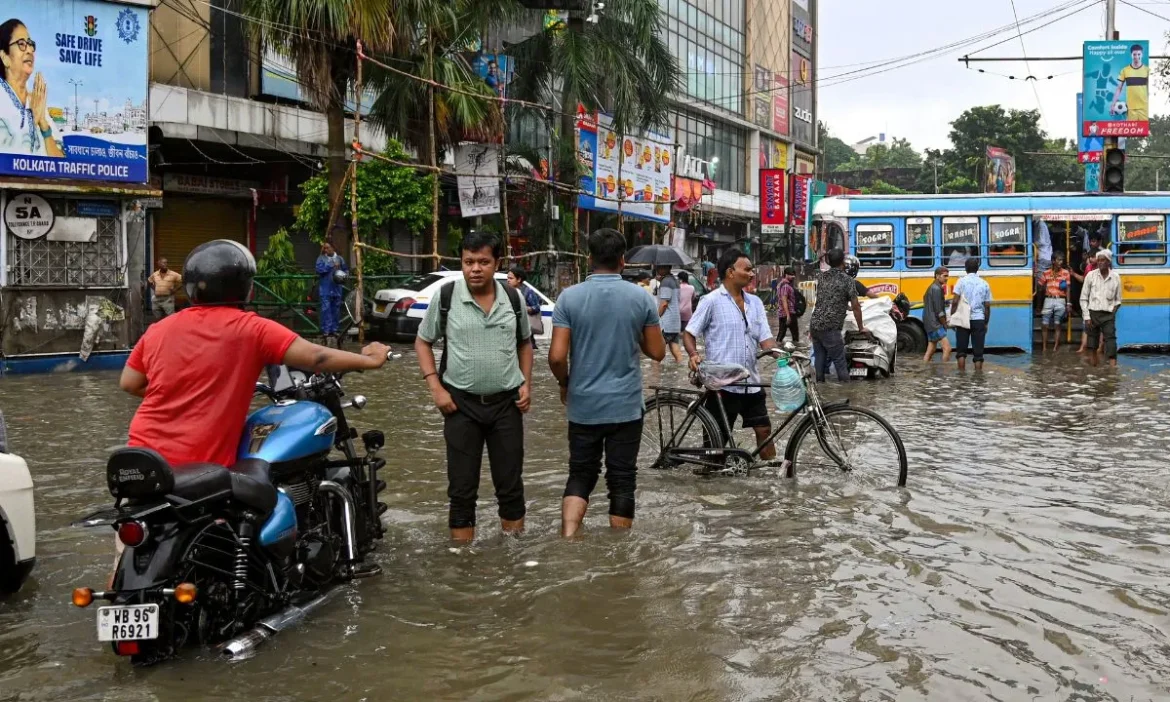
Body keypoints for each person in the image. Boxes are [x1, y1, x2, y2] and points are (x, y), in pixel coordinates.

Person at [120, 240, 391, 471]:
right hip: (199, 463)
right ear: (245, 286)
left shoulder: (158, 329)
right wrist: (371, 359)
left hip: (142, 460)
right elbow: (317, 357)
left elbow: (129, 383)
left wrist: (184, 395)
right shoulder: (251, 328)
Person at [415, 231, 533, 543]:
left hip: (507, 405)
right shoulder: (446, 296)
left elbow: (525, 342)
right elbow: (423, 341)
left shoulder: (512, 297)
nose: (475, 269)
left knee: (510, 485)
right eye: (469, 262)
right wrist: (436, 389)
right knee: (462, 489)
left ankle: (514, 558)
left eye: (483, 262)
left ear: (497, 264)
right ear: (462, 263)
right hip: (460, 406)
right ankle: (462, 565)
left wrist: (526, 384)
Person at [548, 228, 665, 537]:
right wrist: (637, 328)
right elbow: (657, 351)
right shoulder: (641, 298)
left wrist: (565, 383)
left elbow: (557, 357)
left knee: (581, 473)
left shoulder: (568, 298)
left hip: (583, 403)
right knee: (622, 477)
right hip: (625, 406)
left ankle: (569, 536)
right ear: (622, 260)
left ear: (590, 259)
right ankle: (619, 550)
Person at [684, 249, 780, 462]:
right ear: (730, 272)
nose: (752, 273)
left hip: (751, 383)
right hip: (722, 385)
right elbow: (689, 333)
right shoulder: (711, 301)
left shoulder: (755, 303)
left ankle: (773, 480)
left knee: (764, 431)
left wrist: (783, 357)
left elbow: (766, 340)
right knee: (715, 447)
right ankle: (708, 484)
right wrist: (693, 354)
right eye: (747, 269)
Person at [0, 19, 64, 158]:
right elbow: (9, 161)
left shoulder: (36, 101)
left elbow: (62, 164)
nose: (29, 50)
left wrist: (44, 125)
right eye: (21, 44)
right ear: (5, 57)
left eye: (31, 44)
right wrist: (32, 119)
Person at [809, 249, 866, 383]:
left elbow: (829, 298)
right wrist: (861, 327)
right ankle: (845, 393)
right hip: (831, 328)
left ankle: (820, 389)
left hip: (815, 325)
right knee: (840, 363)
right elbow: (857, 306)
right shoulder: (848, 280)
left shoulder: (822, 277)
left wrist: (847, 307)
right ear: (843, 263)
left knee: (820, 361)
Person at [1080, 249, 1122, 368]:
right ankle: (1094, 368)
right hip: (1093, 313)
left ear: (1108, 262)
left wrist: (1113, 312)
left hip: (1108, 314)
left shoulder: (1115, 277)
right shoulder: (1090, 276)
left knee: (1111, 341)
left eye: (1103, 260)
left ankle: (1112, 370)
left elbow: (1118, 300)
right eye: (1098, 260)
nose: (1100, 263)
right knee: (1092, 344)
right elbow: (1083, 298)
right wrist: (1087, 317)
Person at [950, 257, 992, 371]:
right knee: (978, 354)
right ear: (977, 269)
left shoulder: (961, 281)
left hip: (963, 319)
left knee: (961, 352)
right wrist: (986, 322)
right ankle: (978, 378)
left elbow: (954, 302)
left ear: (965, 268)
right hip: (979, 319)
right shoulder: (984, 284)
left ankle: (962, 377)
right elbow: (987, 306)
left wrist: (952, 316)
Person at [315, 240, 348, 346]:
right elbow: (319, 270)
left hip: (337, 289)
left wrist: (344, 275)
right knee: (326, 309)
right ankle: (326, 331)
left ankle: (334, 330)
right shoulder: (321, 258)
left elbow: (346, 270)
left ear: (333, 248)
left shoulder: (340, 259)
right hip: (325, 289)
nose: (326, 250)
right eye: (325, 248)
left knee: (336, 309)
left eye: (328, 247)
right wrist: (330, 265)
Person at [1037, 253, 1071, 352]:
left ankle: (1055, 347)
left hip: (1060, 300)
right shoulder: (1046, 273)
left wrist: (1068, 303)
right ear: (1053, 261)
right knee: (1044, 324)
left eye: (1061, 260)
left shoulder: (1066, 273)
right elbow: (1040, 286)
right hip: (1048, 299)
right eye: (1059, 260)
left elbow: (1068, 289)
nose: (1061, 262)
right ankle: (1044, 347)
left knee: (1057, 324)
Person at [507, 266, 544, 350]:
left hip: (525, 331)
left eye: (511, 278)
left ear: (519, 279)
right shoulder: (507, 291)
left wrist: (523, 308)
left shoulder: (527, 292)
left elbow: (536, 307)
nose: (508, 280)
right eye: (507, 278)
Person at [1112, 43, 1149, 122]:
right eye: (1134, 54)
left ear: (1142, 55)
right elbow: (1119, 88)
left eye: (1139, 54)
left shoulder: (1147, 70)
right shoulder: (1125, 70)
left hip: (1144, 107)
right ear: (1131, 55)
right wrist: (1113, 104)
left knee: (1144, 133)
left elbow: (1149, 89)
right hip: (1131, 108)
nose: (1136, 57)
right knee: (1131, 133)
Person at [922, 266, 951, 363]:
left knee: (931, 349)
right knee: (947, 348)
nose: (947, 278)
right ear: (937, 276)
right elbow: (939, 311)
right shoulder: (937, 289)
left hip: (928, 321)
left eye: (948, 276)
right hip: (935, 323)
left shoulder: (932, 287)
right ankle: (945, 372)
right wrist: (944, 324)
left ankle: (924, 367)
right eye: (945, 276)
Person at [655, 265, 683, 363]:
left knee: (655, 351)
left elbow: (664, 304)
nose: (657, 269)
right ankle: (679, 369)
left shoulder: (665, 282)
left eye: (659, 267)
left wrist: (656, 317)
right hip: (675, 321)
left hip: (666, 323)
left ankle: (655, 376)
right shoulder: (675, 281)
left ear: (666, 268)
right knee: (674, 347)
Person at [775, 266, 800, 344]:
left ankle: (777, 349)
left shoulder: (781, 284)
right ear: (786, 275)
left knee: (781, 334)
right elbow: (784, 300)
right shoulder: (785, 286)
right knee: (795, 336)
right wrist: (788, 316)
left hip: (783, 313)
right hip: (788, 313)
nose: (793, 276)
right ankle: (796, 351)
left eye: (794, 275)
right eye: (791, 275)